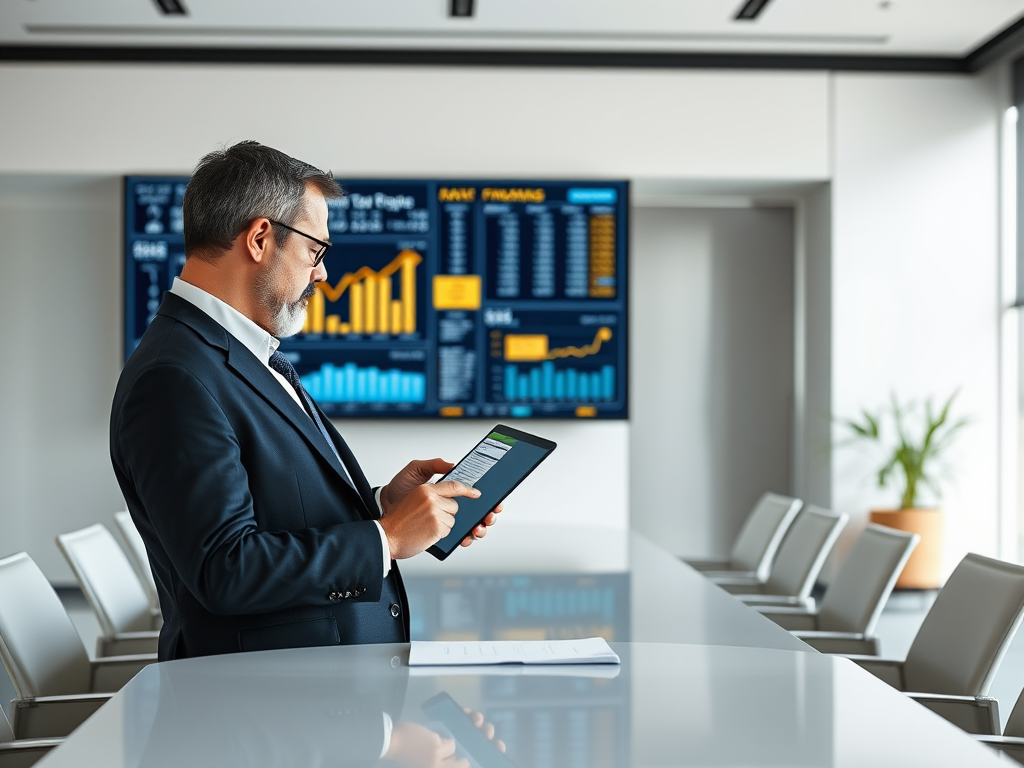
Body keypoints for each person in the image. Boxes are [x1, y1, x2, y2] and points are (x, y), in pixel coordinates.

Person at [110, 141, 500, 661]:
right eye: (316, 251)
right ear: (260, 238)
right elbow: (225, 569)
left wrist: (382, 505)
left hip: (314, 701)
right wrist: (385, 538)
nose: (321, 273)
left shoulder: (239, 354)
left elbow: (274, 510)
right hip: (266, 715)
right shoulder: (174, 377)